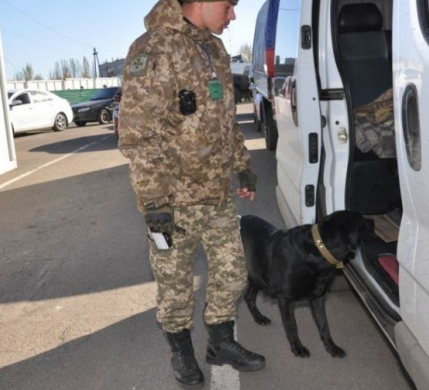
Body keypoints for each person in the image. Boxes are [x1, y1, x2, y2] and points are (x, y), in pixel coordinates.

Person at [117, 0, 264, 387]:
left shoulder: (213, 49)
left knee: (233, 274)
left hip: (216, 196)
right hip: (171, 204)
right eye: (229, 5)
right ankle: (181, 353)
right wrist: (153, 202)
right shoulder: (153, 49)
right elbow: (137, 135)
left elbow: (225, 119)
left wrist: (241, 164)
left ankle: (220, 343)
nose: (233, 15)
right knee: (175, 286)